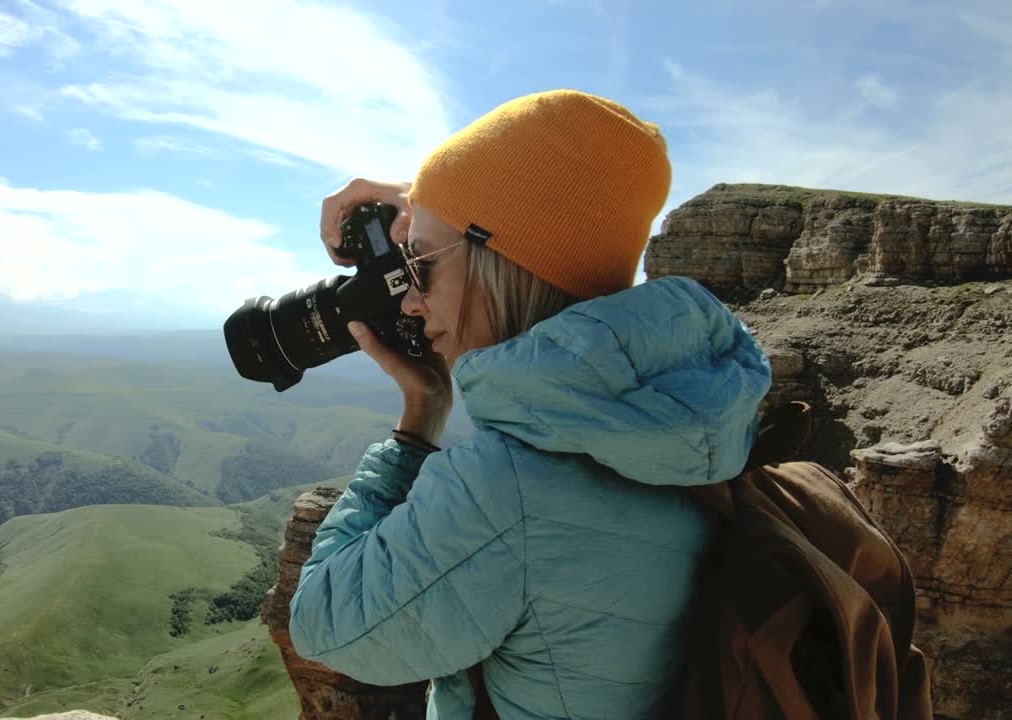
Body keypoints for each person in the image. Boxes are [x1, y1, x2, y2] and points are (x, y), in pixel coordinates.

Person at [288, 90, 772, 719]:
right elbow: (523, 226)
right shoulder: (675, 412)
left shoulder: (507, 488)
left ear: (498, 264)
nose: (408, 299)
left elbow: (324, 624)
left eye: (419, 264)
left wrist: (417, 424)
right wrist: (437, 203)